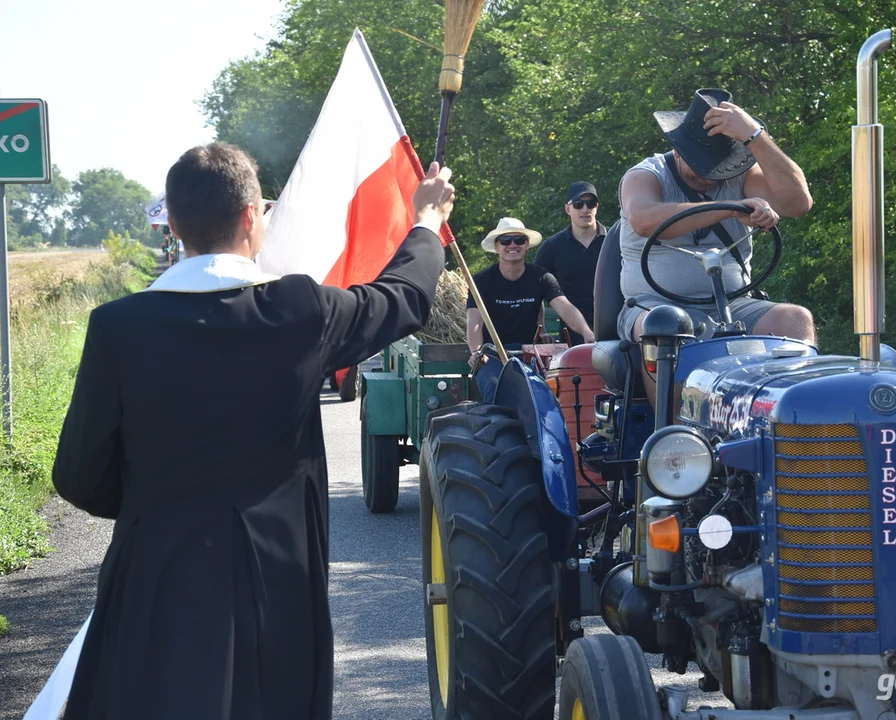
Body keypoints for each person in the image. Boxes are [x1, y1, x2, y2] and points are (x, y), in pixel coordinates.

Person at [50, 141, 455, 720]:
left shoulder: (117, 326)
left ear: (177, 224)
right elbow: (402, 297)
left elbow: (79, 475)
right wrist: (423, 222)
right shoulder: (298, 311)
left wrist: (155, 508)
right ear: (248, 217)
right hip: (276, 575)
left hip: (155, 571)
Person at [618, 88, 814, 347]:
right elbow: (644, 221)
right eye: (699, 164)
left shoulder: (741, 176)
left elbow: (798, 203)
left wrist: (756, 136)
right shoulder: (645, 175)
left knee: (794, 318)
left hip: (734, 306)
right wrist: (732, 208)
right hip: (652, 307)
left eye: (718, 166)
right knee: (666, 324)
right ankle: (673, 389)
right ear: (677, 150)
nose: (709, 175)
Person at [467, 217, 595, 402]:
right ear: (497, 247)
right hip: (492, 354)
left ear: (526, 245)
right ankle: (502, 429)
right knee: (495, 386)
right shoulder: (480, 281)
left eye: (519, 240)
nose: (513, 245)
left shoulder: (542, 277)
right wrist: (476, 352)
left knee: (547, 391)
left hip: (533, 354)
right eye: (505, 240)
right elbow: (474, 322)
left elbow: (565, 308)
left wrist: (587, 333)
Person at [534, 181, 607, 343]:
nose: (585, 209)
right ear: (568, 209)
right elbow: (535, 289)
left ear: (597, 207)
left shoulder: (614, 242)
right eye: (578, 204)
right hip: (572, 335)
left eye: (590, 203)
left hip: (615, 329)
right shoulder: (552, 247)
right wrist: (542, 329)